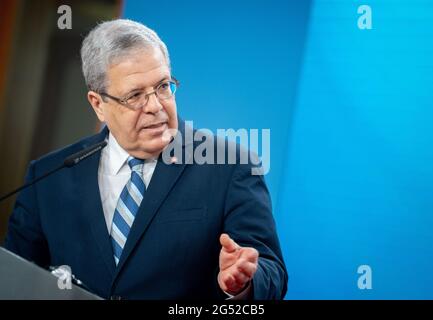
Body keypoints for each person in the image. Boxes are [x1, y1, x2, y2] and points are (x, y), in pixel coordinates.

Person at [3, 19, 287, 300]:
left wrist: (243, 284)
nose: (155, 106)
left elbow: (272, 273)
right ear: (98, 104)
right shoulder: (48, 176)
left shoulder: (230, 166)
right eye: (135, 95)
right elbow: (14, 278)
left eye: (163, 86)